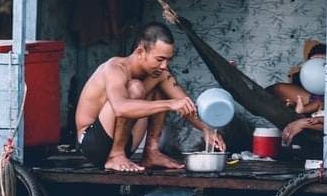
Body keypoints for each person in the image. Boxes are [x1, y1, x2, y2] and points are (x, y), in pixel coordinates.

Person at [75, 22, 226, 172]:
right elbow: (120, 108)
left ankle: (151, 152)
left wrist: (206, 130)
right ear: (140, 52)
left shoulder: (159, 73)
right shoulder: (115, 68)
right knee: (135, 87)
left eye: (169, 59)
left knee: (159, 85)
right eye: (160, 59)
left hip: (125, 142)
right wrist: (169, 104)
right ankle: (116, 154)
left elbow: (185, 104)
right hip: (92, 143)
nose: (164, 65)